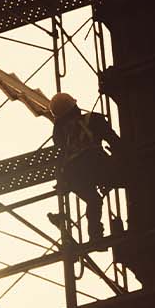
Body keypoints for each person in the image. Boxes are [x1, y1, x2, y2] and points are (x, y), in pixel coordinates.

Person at [49, 92, 121, 242]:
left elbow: (60, 152)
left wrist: (62, 181)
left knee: (93, 200)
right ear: (75, 106)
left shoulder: (59, 132)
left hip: (73, 175)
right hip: (96, 165)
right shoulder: (94, 120)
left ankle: (95, 236)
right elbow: (116, 143)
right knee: (130, 180)